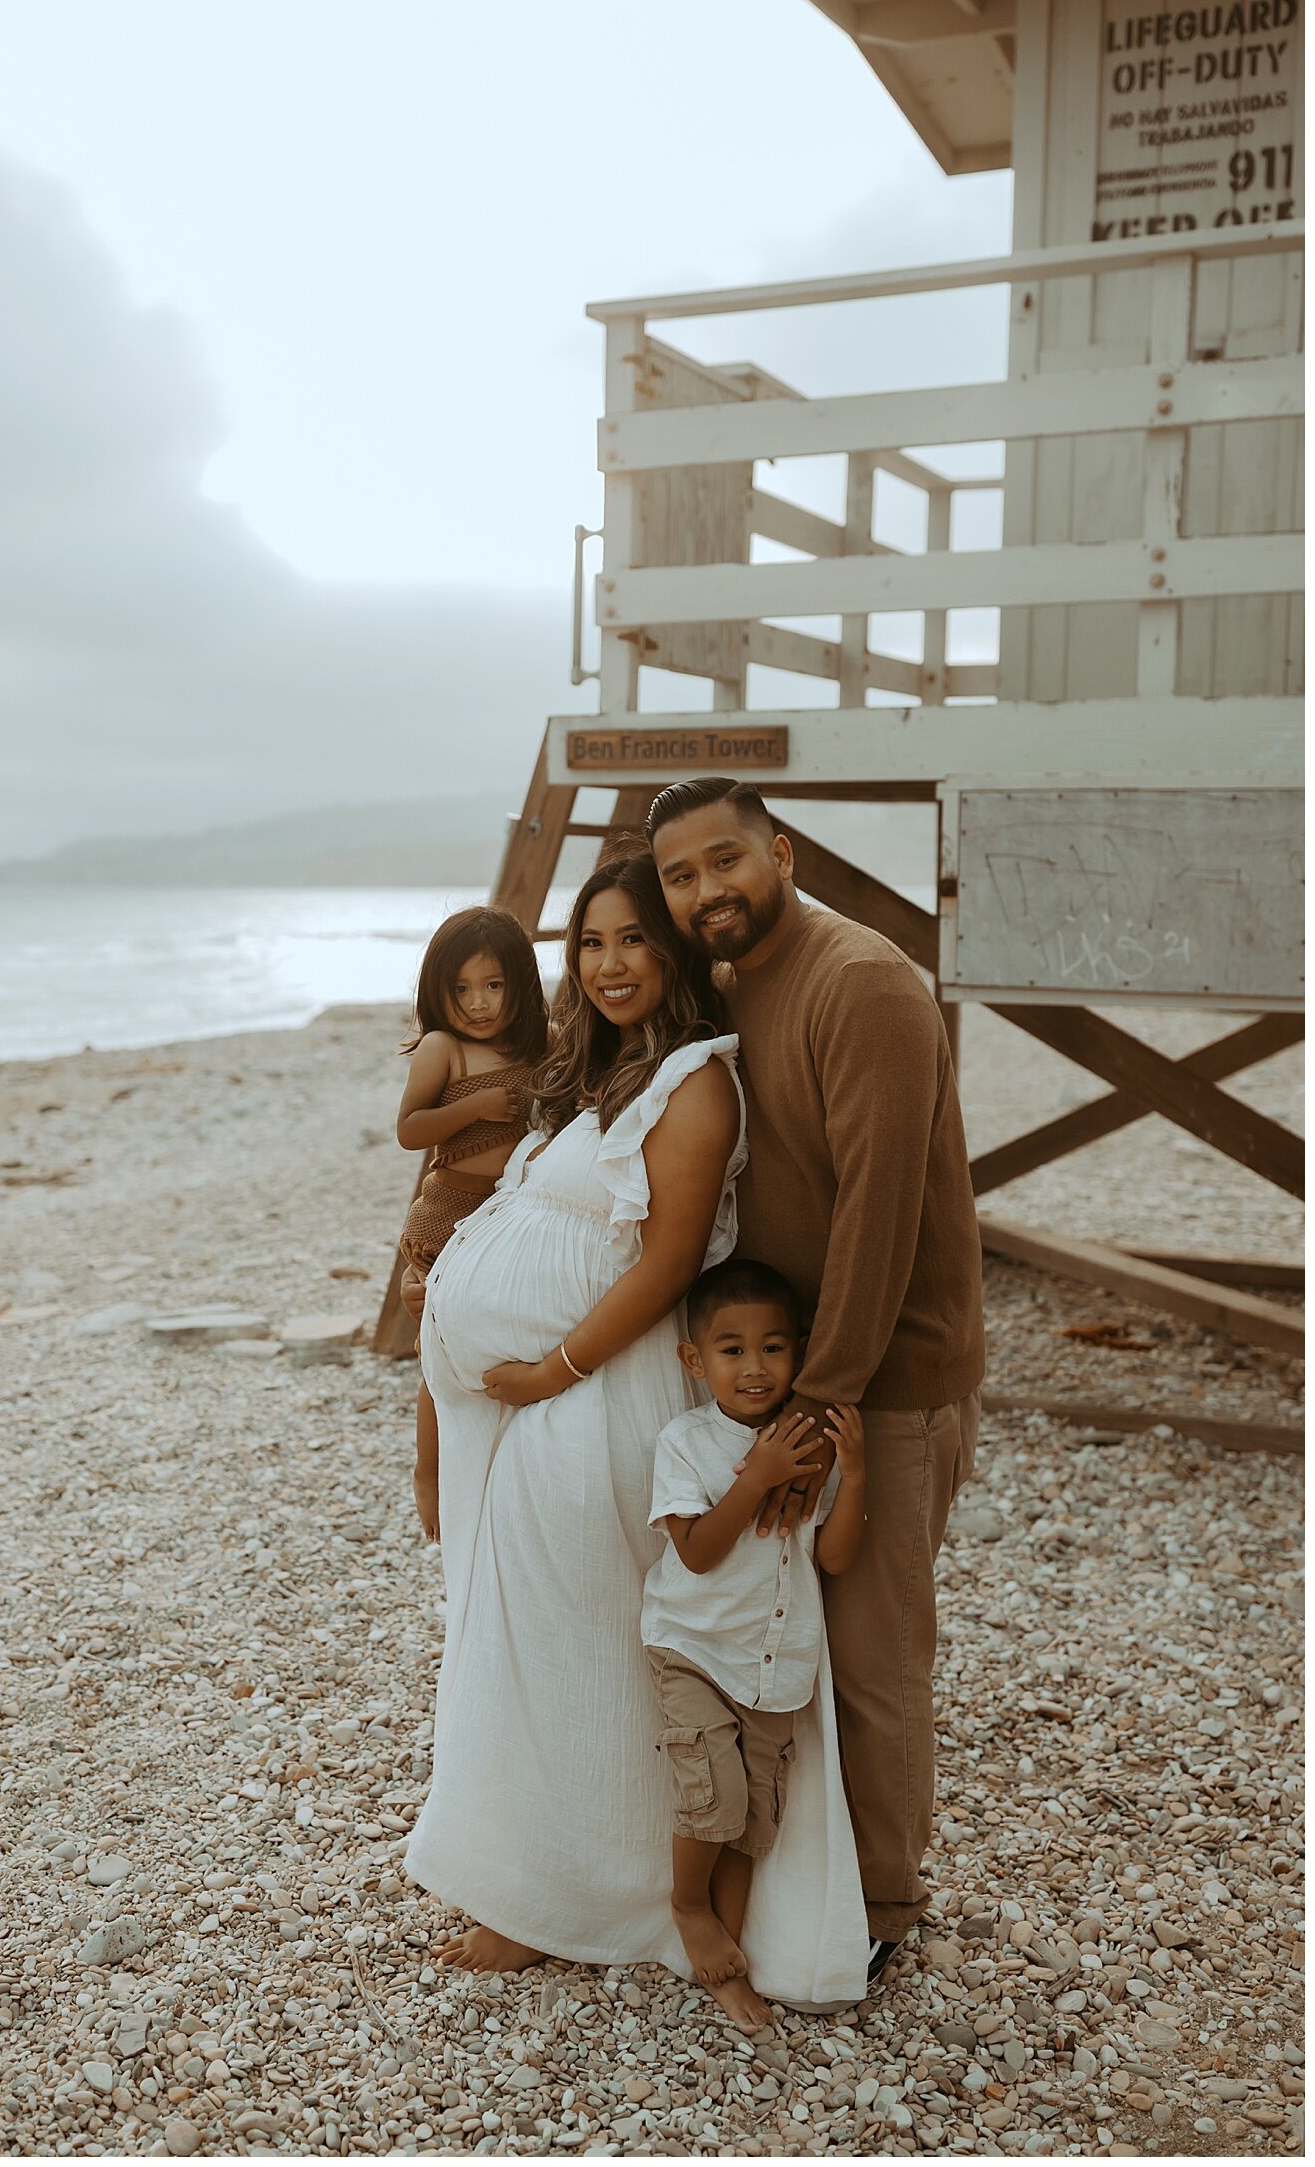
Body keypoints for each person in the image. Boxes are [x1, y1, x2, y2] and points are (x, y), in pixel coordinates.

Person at [403, 845, 870, 2028]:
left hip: (600, 1396)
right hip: (555, 1396)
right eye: (592, 941)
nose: (612, 963)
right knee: (541, 1646)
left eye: (634, 939)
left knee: (591, 1650)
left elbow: (665, 1261)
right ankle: (540, 1886)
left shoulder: (697, 1081)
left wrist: (550, 1365)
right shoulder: (606, 1069)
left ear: (674, 950)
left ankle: (610, 1898)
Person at [648, 777, 985, 1987]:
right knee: (806, 1639)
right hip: (794, 1375)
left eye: (725, 861)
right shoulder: (742, 978)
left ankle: (885, 1902)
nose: (705, 892)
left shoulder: (866, 984)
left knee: (875, 1650)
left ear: (781, 852)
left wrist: (814, 1411)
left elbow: (882, 1217)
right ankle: (821, 1882)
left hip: (878, 1379)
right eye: (681, 877)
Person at [643, 1257, 868, 2013]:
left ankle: (726, 1960)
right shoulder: (685, 1441)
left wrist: (856, 1477)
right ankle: (688, 1907)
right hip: (697, 1649)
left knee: (750, 1823)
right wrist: (757, 1477)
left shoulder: (807, 1444)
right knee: (714, 1793)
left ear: (799, 1352)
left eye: (773, 1347)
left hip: (777, 1665)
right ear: (694, 1360)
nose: (754, 1366)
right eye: (732, 1349)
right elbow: (698, 1553)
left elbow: (833, 1558)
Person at [395, 907, 548, 1544]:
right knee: (440, 1351)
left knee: (499, 1341)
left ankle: (498, 1462)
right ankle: (427, 1473)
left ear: (520, 984)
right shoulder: (445, 1048)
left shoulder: (538, 1046)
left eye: (493, 986)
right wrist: (479, 1105)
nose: (478, 1004)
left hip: (508, 1214)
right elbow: (409, 1131)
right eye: (461, 990)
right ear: (439, 991)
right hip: (450, 1213)